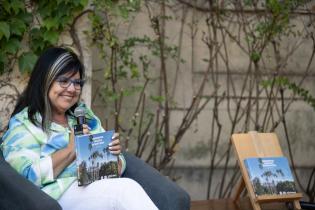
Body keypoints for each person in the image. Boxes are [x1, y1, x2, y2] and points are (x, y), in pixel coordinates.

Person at [0, 47, 158, 210]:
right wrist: (70, 150)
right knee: (124, 191)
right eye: (63, 81)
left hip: (95, 189)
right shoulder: (25, 124)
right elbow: (24, 179)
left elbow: (112, 169)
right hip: (54, 197)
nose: (71, 89)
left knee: (123, 190)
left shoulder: (82, 116)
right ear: (45, 81)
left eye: (77, 83)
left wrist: (113, 156)